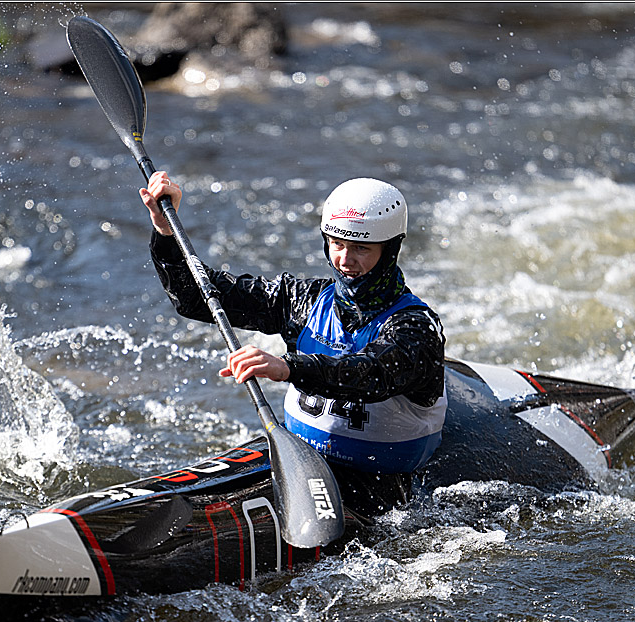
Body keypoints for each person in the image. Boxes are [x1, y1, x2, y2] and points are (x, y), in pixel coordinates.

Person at [140, 171, 447, 518]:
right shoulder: (301, 300)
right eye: (338, 244)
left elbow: (371, 372)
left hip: (381, 488)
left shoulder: (416, 328)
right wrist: (165, 231)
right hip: (300, 461)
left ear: (389, 250)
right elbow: (198, 299)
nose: (345, 260)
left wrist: (288, 367)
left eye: (361, 248)